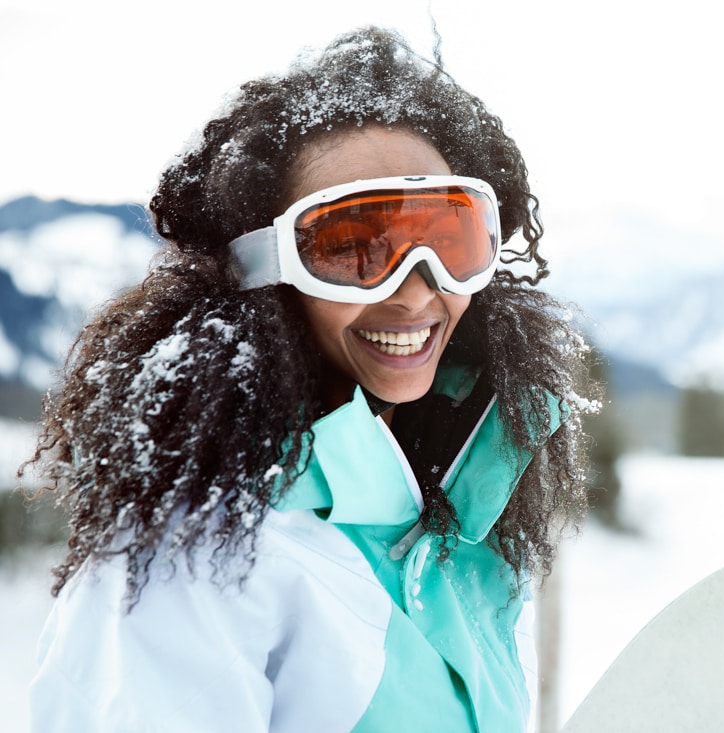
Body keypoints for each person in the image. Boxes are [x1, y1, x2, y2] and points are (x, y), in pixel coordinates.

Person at [24, 25, 594, 733]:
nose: (417, 293)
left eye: (450, 240)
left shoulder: (454, 524)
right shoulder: (203, 557)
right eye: (356, 250)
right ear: (264, 275)